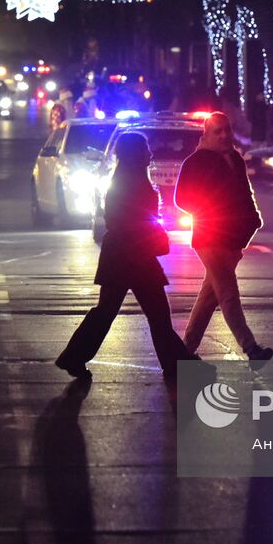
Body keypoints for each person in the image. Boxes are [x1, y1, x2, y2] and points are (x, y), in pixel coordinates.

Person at [55, 133, 198, 380]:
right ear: (135, 153)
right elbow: (138, 222)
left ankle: (74, 358)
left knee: (110, 312)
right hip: (136, 258)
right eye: (145, 149)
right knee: (154, 314)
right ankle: (176, 364)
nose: (150, 153)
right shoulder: (136, 185)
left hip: (121, 258)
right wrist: (155, 237)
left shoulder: (121, 183)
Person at [176, 112, 273, 361]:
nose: (223, 135)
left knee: (210, 296)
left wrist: (253, 220)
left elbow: (245, 193)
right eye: (217, 131)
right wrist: (207, 210)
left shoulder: (235, 159)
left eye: (227, 130)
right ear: (206, 134)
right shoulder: (195, 162)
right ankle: (250, 348)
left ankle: (184, 351)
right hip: (209, 238)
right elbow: (181, 198)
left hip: (232, 239)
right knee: (228, 294)